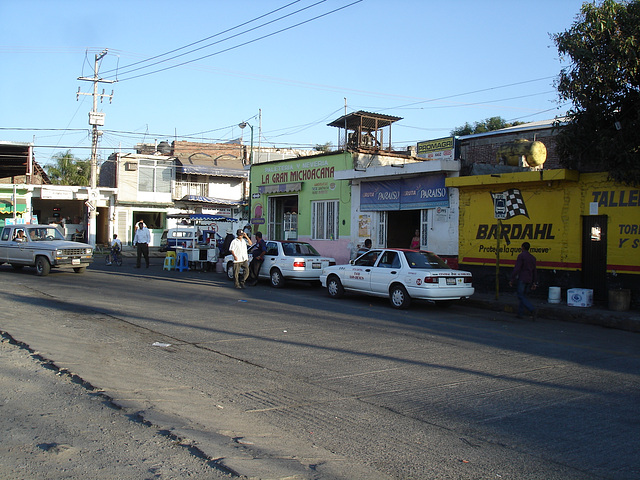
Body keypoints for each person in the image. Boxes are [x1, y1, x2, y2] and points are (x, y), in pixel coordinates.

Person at [509, 241, 538, 319]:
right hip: (529, 278)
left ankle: (531, 309)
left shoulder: (521, 256)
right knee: (523, 296)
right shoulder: (533, 258)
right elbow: (534, 270)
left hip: (522, 278)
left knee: (520, 295)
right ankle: (520, 313)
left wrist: (512, 278)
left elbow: (517, 268)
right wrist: (534, 282)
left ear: (522, 247)